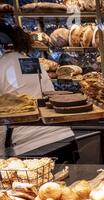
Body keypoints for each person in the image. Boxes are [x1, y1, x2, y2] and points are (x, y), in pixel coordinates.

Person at [0, 24, 74, 157]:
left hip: (27, 145)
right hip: (61, 136)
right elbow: (50, 96)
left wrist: (1, 157)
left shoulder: (2, 67)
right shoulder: (34, 63)